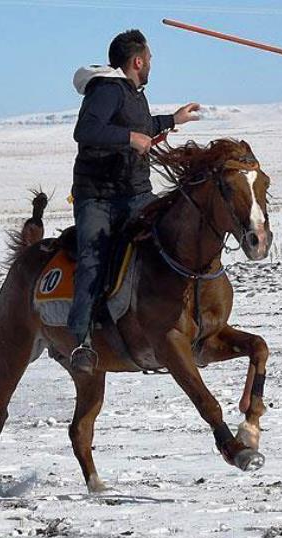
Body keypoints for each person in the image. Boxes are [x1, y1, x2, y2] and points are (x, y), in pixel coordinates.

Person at [67, 29, 200, 373]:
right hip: (98, 196)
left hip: (135, 191)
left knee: (166, 241)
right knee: (93, 260)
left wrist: (173, 120)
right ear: (137, 60)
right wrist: (129, 138)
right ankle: (80, 341)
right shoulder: (107, 90)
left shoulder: (133, 93)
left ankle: (170, 322)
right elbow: (86, 131)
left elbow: (141, 126)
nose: (152, 63)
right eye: (150, 58)